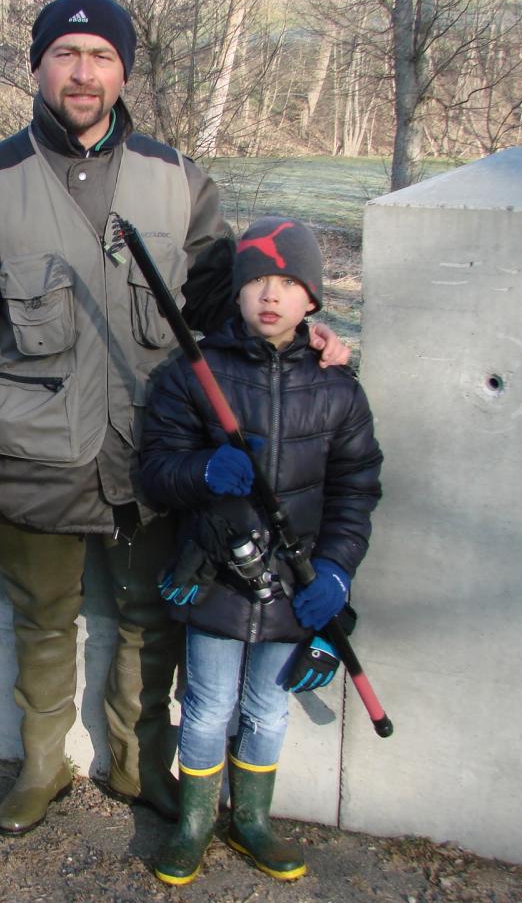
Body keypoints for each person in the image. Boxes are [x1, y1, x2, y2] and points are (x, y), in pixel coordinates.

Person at [0, 0, 350, 836]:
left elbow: (233, 308)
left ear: (123, 72)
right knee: (42, 623)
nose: (83, 73)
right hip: (28, 461)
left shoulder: (180, 182)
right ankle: (41, 768)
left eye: (101, 57)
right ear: (38, 65)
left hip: (157, 459)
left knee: (153, 622)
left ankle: (137, 762)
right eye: (66, 55)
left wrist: (306, 331)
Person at [138, 217, 382, 884]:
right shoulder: (196, 373)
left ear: (312, 301)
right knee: (209, 705)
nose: (269, 297)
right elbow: (155, 469)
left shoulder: (336, 389)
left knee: (267, 708)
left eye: (286, 284)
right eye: (255, 283)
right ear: (237, 294)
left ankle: (250, 820)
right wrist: (205, 472)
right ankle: (192, 823)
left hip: (295, 589)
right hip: (217, 581)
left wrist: (335, 570)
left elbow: (356, 490)